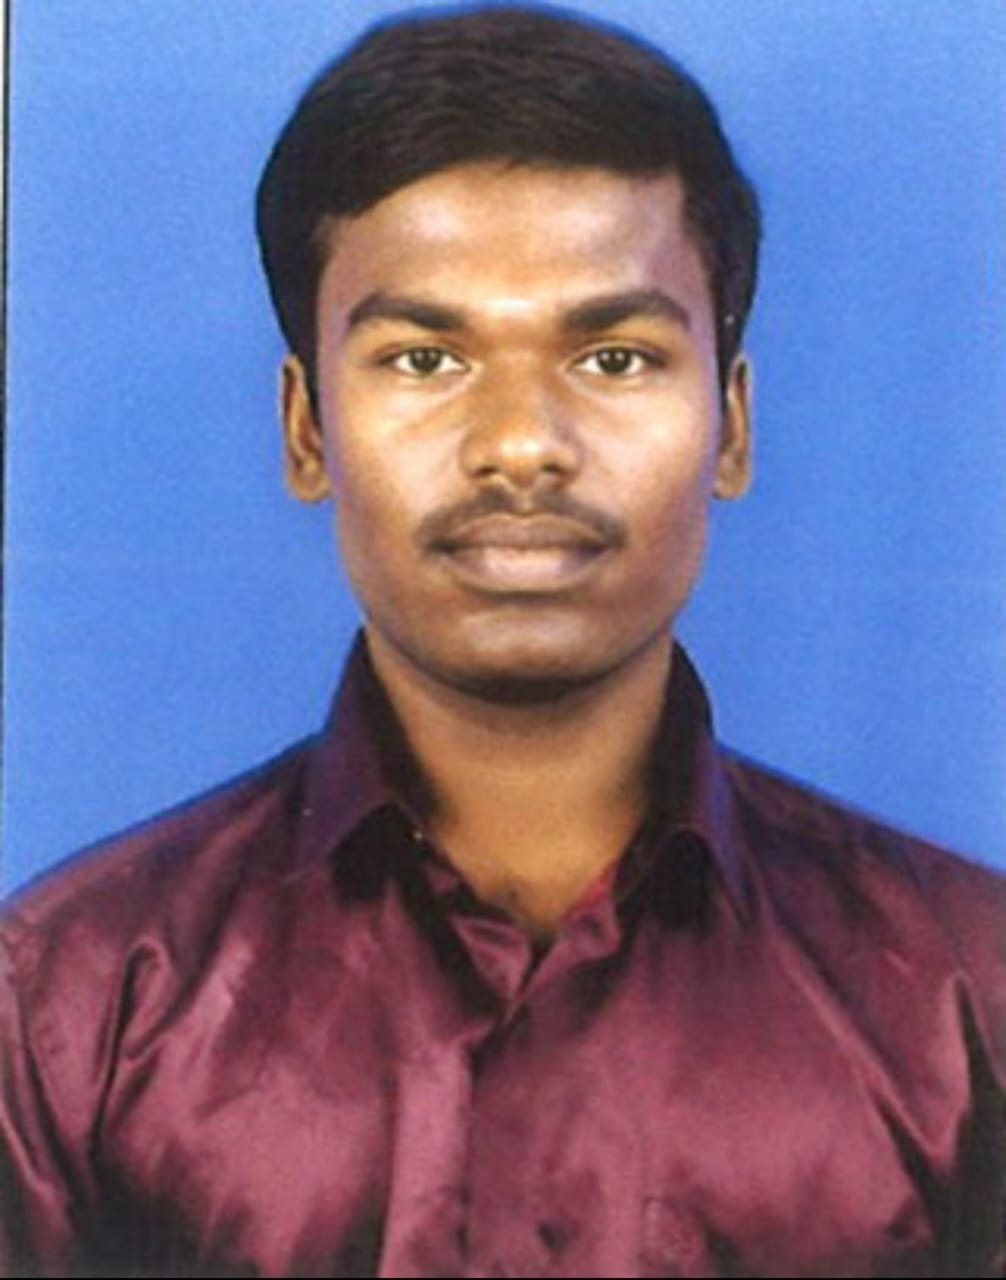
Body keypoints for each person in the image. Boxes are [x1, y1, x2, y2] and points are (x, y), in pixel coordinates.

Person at [2, 6, 1003, 1277]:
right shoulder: (68, 1003)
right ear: (307, 430)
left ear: (732, 425)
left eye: (615, 356)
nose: (522, 443)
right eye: (425, 358)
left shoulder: (965, 995)